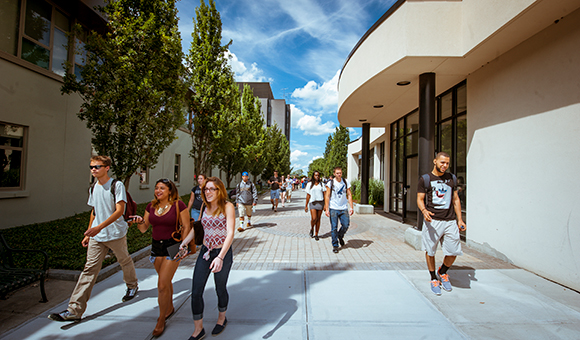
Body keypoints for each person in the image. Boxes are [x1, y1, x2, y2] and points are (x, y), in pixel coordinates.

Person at [48, 156, 138, 322]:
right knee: (89, 270)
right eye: (91, 167)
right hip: (97, 235)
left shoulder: (116, 185)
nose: (93, 170)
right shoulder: (93, 188)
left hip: (115, 233)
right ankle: (74, 310)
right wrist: (88, 233)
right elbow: (94, 211)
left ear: (107, 168)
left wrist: (99, 227)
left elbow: (119, 211)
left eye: (97, 166)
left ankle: (132, 286)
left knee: (124, 260)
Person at [130, 179, 190, 336]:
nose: (158, 191)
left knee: (162, 284)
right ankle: (169, 307)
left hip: (173, 247)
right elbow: (144, 228)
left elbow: (186, 226)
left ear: (170, 191)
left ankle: (161, 319)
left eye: (162, 188)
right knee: (166, 281)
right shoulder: (151, 206)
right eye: (156, 188)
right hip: (156, 247)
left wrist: (184, 247)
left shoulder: (179, 205)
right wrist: (139, 221)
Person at [178, 177, 235, 340]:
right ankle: (198, 329)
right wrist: (184, 243)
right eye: (205, 189)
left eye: (211, 189)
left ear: (220, 191)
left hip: (222, 253)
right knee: (196, 291)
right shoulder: (204, 206)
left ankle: (222, 319)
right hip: (205, 252)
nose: (207, 192)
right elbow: (198, 228)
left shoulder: (227, 207)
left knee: (220, 287)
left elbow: (230, 233)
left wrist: (221, 257)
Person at [417, 152, 466, 295]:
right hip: (433, 221)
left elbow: (455, 199)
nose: (444, 166)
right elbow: (420, 199)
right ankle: (433, 278)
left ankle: (442, 271)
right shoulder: (425, 179)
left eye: (447, 163)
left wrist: (460, 219)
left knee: (453, 251)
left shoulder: (452, 178)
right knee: (430, 251)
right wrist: (424, 210)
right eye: (442, 162)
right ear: (435, 161)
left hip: (450, 220)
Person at [324, 167, 354, 254]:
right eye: (337, 173)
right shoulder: (330, 183)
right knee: (334, 228)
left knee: (346, 224)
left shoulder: (345, 182)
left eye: (340, 173)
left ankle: (340, 236)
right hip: (333, 208)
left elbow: (349, 195)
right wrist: (326, 208)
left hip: (343, 207)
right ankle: (335, 245)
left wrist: (351, 207)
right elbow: (327, 196)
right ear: (334, 174)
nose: (339, 174)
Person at [305, 171, 326, 241]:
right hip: (313, 202)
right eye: (315, 175)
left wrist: (325, 205)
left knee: (318, 219)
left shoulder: (322, 184)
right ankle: (312, 228)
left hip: (320, 202)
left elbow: (325, 195)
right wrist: (306, 205)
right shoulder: (309, 184)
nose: (317, 176)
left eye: (318, 175)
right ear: (313, 176)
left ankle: (316, 233)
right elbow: (308, 195)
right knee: (314, 218)